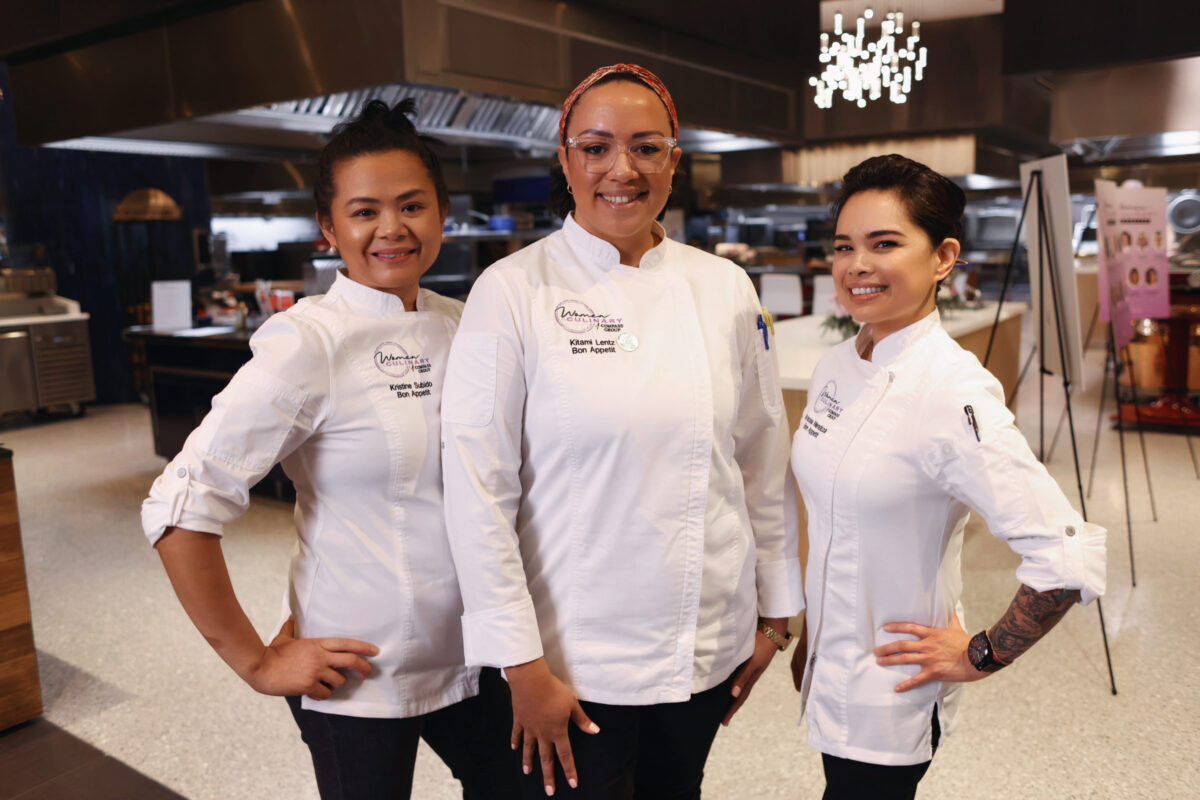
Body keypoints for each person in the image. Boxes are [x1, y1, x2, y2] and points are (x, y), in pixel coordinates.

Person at [440, 63, 802, 799]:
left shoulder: (724, 286)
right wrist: (519, 663)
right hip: (572, 661)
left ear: (674, 161)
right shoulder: (512, 291)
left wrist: (775, 615)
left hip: (708, 645)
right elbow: (477, 490)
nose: (621, 170)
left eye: (646, 147)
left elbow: (763, 458)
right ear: (566, 161)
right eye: (597, 147)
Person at [141, 98, 518, 800]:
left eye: (412, 205)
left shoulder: (465, 325)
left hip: (477, 653)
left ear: (440, 213)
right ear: (329, 227)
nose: (392, 229)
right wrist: (255, 661)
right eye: (365, 210)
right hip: (357, 669)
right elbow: (180, 502)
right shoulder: (308, 343)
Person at [788, 155, 1106, 800]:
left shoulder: (951, 390)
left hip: (892, 690)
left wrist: (981, 653)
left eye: (885, 244)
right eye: (845, 246)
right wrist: (816, 636)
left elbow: (1064, 553)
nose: (857, 265)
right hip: (829, 665)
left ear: (943, 257)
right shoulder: (837, 365)